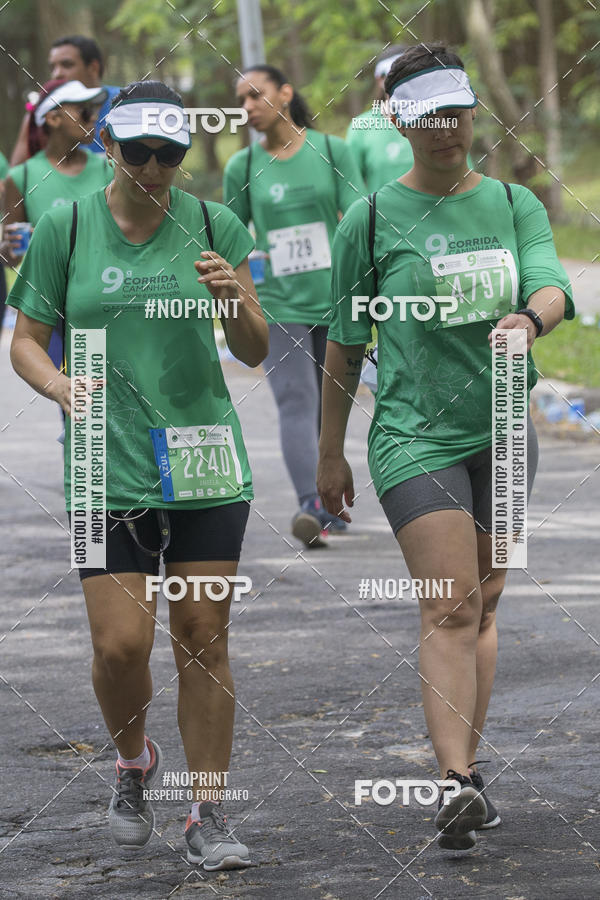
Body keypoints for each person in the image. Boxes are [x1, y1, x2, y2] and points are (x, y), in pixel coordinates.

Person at [317, 43, 574, 851]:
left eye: (456, 113)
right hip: (413, 435)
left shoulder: (512, 202)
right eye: (427, 116)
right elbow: (344, 343)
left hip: (503, 428)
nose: (445, 130)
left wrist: (530, 318)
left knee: (485, 602)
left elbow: (552, 283)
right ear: (399, 120)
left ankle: (468, 770)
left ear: (474, 113)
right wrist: (332, 454)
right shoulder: (370, 219)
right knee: (451, 602)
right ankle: (455, 780)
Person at [7, 80, 268, 869]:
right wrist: (56, 385)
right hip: (100, 457)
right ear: (108, 147)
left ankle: (207, 813)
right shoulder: (68, 223)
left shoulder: (216, 224)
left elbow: (255, 349)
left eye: (170, 153)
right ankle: (133, 762)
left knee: (202, 637)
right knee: (122, 647)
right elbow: (26, 338)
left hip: (203, 457)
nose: (154, 166)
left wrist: (236, 303)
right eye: (139, 150)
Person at [224, 64, 366, 548]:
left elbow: (359, 218)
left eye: (255, 95)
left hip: (336, 298)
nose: (247, 108)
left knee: (333, 405)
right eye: (240, 100)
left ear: (285, 93)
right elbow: (229, 236)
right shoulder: (241, 167)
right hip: (278, 304)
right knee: (295, 400)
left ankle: (329, 491)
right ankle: (313, 505)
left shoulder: (332, 151)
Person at [3, 79, 111, 388]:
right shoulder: (21, 177)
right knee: (75, 398)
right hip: (51, 312)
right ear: (53, 118)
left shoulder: (108, 169)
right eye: (84, 110)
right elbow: (10, 257)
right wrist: (11, 247)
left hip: (104, 300)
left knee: (110, 395)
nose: (93, 117)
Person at [9, 35, 119, 165]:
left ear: (93, 68)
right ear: (53, 119)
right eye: (52, 68)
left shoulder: (123, 103)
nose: (57, 74)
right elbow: (18, 174)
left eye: (67, 65)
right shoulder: (41, 114)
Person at [345, 45, 415, 192]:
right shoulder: (361, 127)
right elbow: (348, 186)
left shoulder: (436, 118)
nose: (400, 80)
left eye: (407, 73)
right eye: (392, 74)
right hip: (381, 214)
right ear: (379, 80)